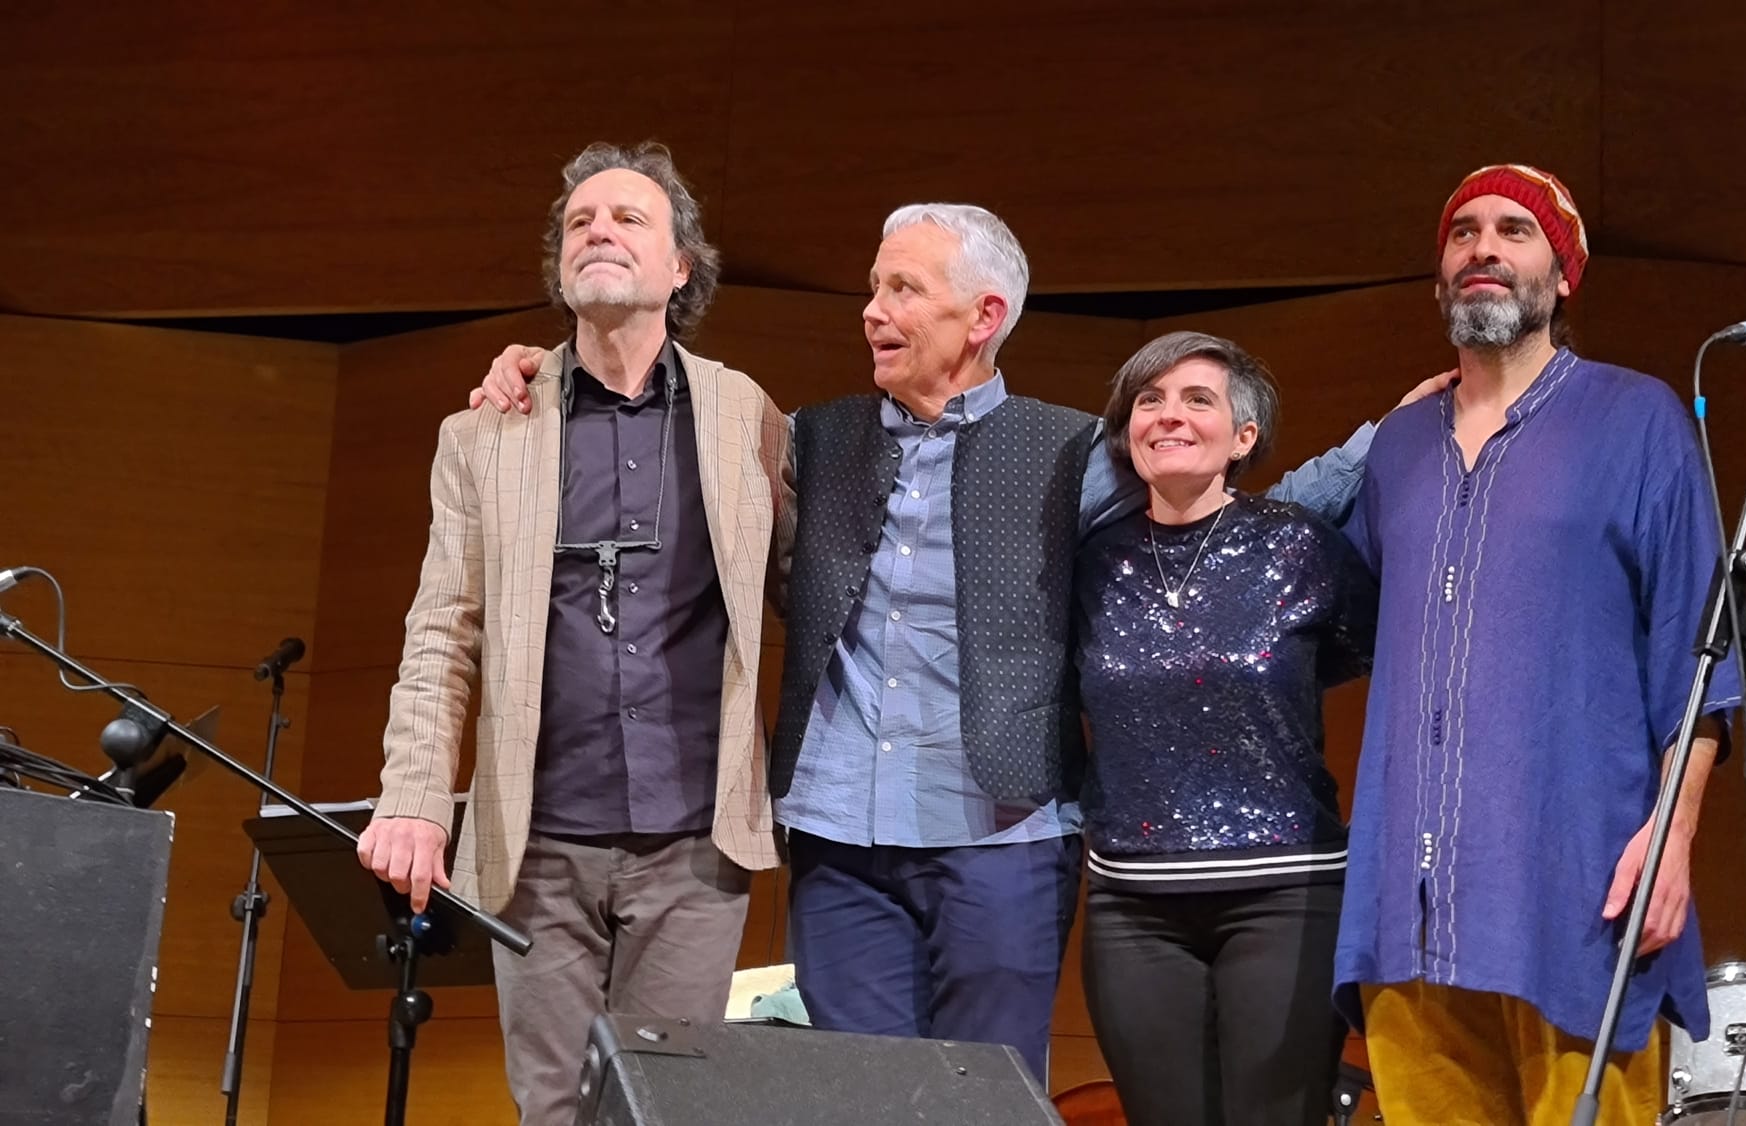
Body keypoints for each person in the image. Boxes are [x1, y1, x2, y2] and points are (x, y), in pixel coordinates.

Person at [469, 203, 1436, 1083]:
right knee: (864, 1096)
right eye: (872, 288)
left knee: (989, 1093)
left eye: (902, 290)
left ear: (982, 318)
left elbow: (1237, 520)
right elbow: (658, 408)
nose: (872, 310)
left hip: (1002, 833)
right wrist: (542, 365)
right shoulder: (807, 434)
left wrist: (1381, 441)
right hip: (842, 831)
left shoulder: (1073, 452)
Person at [355, 141, 795, 1126]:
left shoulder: (748, 418)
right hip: (536, 832)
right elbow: (441, 627)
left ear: (681, 266)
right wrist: (416, 796)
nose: (597, 230)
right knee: (551, 1108)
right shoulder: (482, 431)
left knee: (668, 1109)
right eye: (578, 222)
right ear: (560, 264)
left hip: (696, 837)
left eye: (628, 218)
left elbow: (807, 594)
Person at [1334, 163, 1741, 1125]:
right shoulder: (1396, 447)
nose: (1483, 248)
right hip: (1413, 903)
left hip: (1579, 889)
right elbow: (1334, 623)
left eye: (1515, 232)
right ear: (1441, 274)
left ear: (1562, 277)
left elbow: (1702, 653)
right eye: (1463, 232)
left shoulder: (1636, 419)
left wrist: (1674, 837)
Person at [1075, 331, 1376, 1126]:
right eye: (1150, 400)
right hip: (1132, 906)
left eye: (1196, 399)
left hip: (1289, 895)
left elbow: (1355, 654)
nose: (1168, 416)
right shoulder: (1089, 562)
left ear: (1243, 437)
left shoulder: (1301, 545)